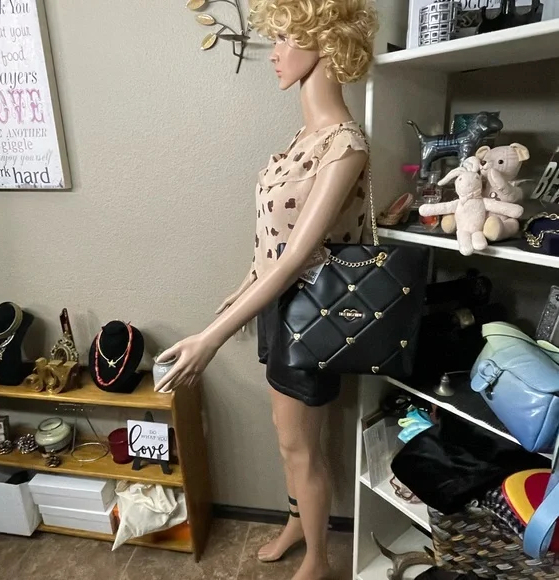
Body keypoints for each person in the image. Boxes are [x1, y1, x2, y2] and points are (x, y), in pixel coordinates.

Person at [156, 2, 378, 578]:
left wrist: (210, 338)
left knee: (302, 446)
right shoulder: (304, 137)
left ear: (324, 41)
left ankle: (319, 560)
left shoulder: (344, 145)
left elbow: (299, 258)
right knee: (286, 439)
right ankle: (296, 523)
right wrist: (242, 288)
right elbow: (273, 244)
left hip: (313, 315)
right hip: (276, 309)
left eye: (285, 38)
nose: (274, 54)